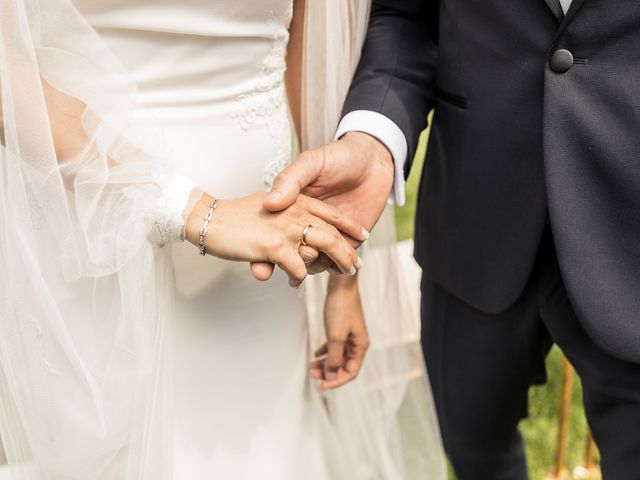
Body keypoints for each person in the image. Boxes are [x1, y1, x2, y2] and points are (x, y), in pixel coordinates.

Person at [0, 0, 446, 479]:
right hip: (91, 236)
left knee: (263, 445)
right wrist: (191, 209)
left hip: (264, 260)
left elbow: (310, 51)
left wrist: (341, 270)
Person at [266, 0, 640, 479]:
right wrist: (373, 139)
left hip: (629, 224)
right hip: (472, 222)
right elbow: (406, 17)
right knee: (474, 451)